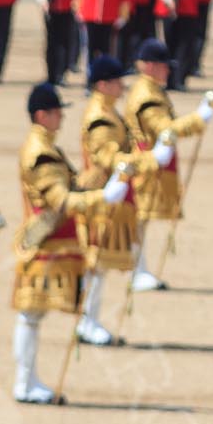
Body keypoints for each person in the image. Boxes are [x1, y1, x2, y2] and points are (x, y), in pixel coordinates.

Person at [10, 84, 115, 404]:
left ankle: (27, 381)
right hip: (44, 242)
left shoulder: (45, 146)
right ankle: (24, 382)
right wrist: (103, 197)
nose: (61, 118)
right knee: (30, 315)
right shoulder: (40, 151)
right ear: (42, 115)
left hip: (49, 241)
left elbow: (70, 186)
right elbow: (61, 200)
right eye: (56, 113)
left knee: (32, 317)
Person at [123, 40, 211, 291]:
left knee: (142, 218)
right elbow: (165, 129)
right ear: (150, 66)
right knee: (139, 216)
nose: (168, 71)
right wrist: (198, 120)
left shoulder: (151, 89)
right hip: (147, 159)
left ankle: (140, 268)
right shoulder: (147, 94)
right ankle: (136, 270)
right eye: (163, 66)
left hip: (150, 157)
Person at [77, 55, 149, 346]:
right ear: (103, 85)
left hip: (111, 190)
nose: (122, 87)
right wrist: (140, 162)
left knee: (101, 261)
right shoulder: (99, 116)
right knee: (96, 260)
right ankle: (87, 320)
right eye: (117, 82)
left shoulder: (108, 110)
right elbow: (105, 156)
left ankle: (90, 319)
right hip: (101, 191)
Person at [38, 0, 82, 80]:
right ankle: (51, 74)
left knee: (65, 42)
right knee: (51, 42)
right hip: (51, 4)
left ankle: (60, 73)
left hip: (68, 4)